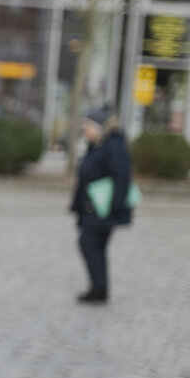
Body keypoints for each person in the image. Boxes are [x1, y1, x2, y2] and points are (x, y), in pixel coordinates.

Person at [68, 103, 133, 303]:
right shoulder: (98, 145)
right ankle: (99, 288)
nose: (84, 130)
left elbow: (122, 177)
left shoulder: (112, 146)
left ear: (98, 127)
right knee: (93, 245)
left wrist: (113, 206)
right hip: (92, 206)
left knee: (89, 243)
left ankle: (99, 289)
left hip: (103, 208)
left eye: (87, 126)